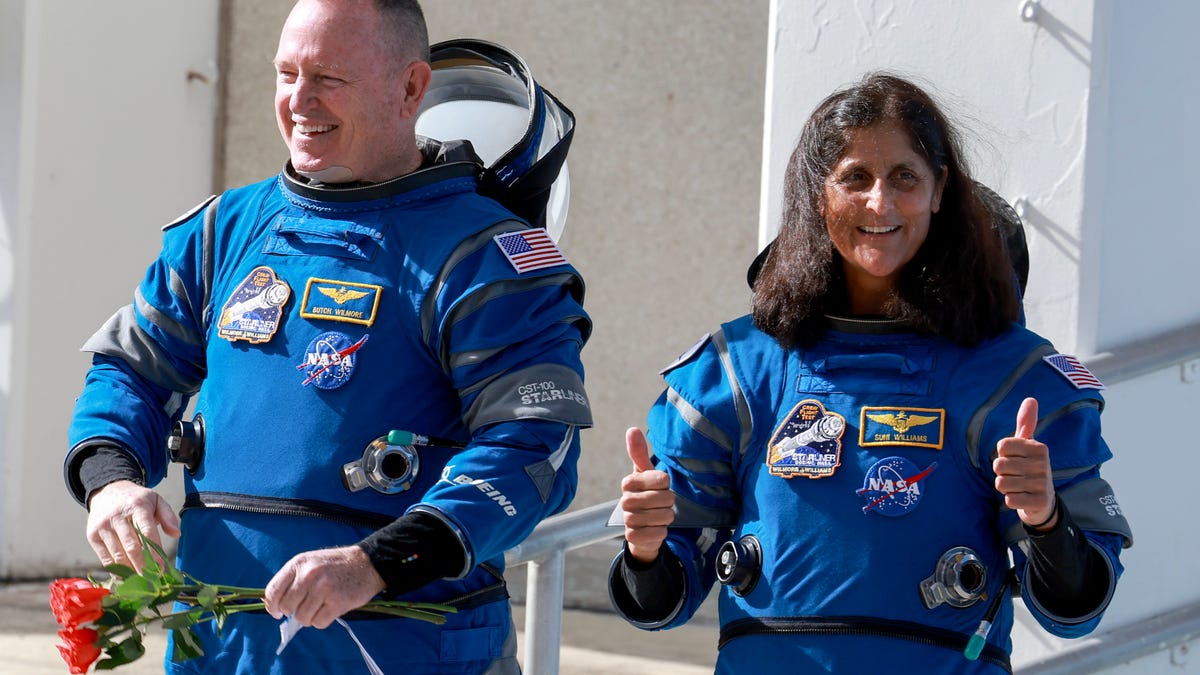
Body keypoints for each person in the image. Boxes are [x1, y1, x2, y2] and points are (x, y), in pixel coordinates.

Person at [63, 1, 591, 672]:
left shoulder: (486, 256)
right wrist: (111, 481)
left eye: (328, 77)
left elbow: (536, 445)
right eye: (286, 73)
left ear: (410, 89)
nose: (299, 100)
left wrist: (378, 562)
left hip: (409, 653)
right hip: (224, 653)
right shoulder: (225, 230)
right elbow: (129, 370)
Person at [608, 72, 1131, 674]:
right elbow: (661, 601)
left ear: (940, 191)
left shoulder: (1017, 381)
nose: (879, 203)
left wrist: (1046, 520)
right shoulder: (737, 370)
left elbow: (1077, 608)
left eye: (904, 177)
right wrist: (646, 554)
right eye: (854, 178)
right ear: (818, 194)